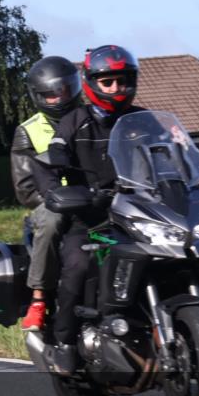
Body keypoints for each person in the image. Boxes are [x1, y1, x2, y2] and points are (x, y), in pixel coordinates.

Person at [41, 45, 146, 375]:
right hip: (90, 218)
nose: (117, 89)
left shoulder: (142, 121)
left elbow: (171, 153)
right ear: (92, 83)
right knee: (77, 264)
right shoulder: (75, 122)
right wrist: (62, 193)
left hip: (138, 215)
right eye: (108, 82)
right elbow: (50, 158)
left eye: (123, 81)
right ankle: (65, 343)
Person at [11, 56, 80, 332]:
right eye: (50, 95)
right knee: (51, 221)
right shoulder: (27, 132)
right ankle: (39, 298)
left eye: (63, 91)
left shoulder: (90, 119)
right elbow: (26, 190)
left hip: (95, 198)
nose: (59, 99)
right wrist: (61, 201)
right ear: (38, 96)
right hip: (53, 203)